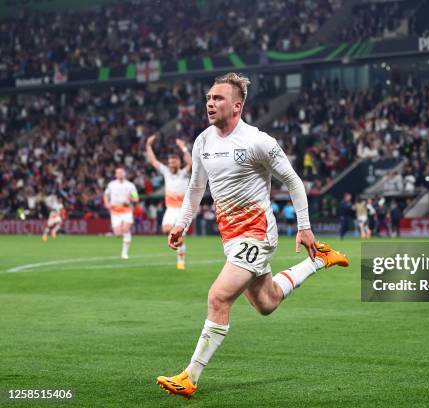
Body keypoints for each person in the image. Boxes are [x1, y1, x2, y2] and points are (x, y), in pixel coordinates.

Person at [156, 73, 349, 398]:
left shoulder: (258, 141)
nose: (210, 103)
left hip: (257, 233)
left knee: (218, 297)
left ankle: (190, 376)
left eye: (217, 99)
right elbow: (195, 188)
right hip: (231, 236)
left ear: (237, 105)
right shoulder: (203, 140)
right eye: (208, 98)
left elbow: (293, 181)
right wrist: (181, 222)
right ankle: (319, 261)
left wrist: (304, 226)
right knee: (267, 302)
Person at [146, 135, 192, 269]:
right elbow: (153, 161)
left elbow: (190, 163)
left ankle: (181, 260)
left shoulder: (184, 173)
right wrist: (148, 146)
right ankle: (178, 246)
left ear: (178, 162)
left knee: (178, 235)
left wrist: (183, 148)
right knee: (166, 229)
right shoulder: (166, 172)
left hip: (184, 210)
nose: (171, 163)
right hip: (171, 209)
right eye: (170, 161)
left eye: (173, 161)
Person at [103, 168, 139, 259]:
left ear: (124, 174)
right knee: (118, 234)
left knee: (126, 229)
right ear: (115, 175)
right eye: (118, 173)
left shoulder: (130, 185)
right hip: (115, 211)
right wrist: (107, 203)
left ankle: (124, 253)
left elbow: (136, 198)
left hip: (126, 210)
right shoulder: (111, 185)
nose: (119, 174)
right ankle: (125, 236)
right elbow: (106, 195)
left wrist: (131, 199)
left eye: (121, 172)